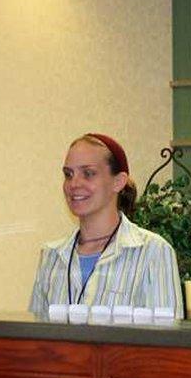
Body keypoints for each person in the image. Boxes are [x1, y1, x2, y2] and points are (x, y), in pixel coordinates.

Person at [28, 133, 182, 317]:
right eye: (68, 174)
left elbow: (164, 341)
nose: (74, 184)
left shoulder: (153, 252)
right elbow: (36, 339)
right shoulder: (51, 256)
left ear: (118, 182)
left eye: (88, 173)